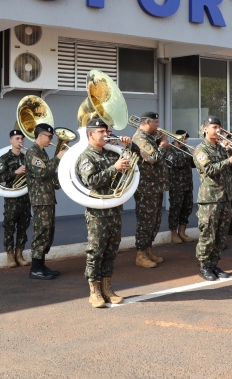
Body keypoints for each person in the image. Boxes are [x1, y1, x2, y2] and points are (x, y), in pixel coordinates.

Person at [76, 117, 133, 307]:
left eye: (106, 131)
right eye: (101, 132)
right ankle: (94, 290)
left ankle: (107, 287)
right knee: (96, 251)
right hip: (98, 212)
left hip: (115, 209)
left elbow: (131, 166)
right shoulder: (86, 156)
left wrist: (129, 147)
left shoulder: (111, 153)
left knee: (111, 250)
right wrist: (113, 168)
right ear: (91, 134)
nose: (106, 134)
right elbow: (91, 181)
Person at [193, 116, 232, 281]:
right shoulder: (201, 149)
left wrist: (231, 152)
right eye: (214, 127)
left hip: (225, 197)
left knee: (221, 234)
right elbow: (209, 169)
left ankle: (214, 263)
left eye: (219, 128)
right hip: (210, 199)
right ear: (205, 129)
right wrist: (230, 160)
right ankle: (204, 266)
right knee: (208, 233)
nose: (218, 131)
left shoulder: (221, 148)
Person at [25, 123, 66, 280]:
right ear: (40, 136)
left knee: (48, 232)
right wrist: (58, 158)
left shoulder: (42, 153)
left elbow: (49, 175)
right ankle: (35, 268)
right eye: (49, 136)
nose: (51, 139)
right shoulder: (32, 153)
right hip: (40, 200)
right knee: (41, 232)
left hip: (47, 199)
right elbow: (42, 172)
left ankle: (41, 265)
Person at [131, 111, 171, 268]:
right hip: (146, 187)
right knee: (146, 221)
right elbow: (152, 158)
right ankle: (140, 254)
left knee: (154, 221)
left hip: (155, 186)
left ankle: (148, 250)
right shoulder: (140, 138)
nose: (158, 125)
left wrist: (158, 142)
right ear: (147, 122)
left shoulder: (149, 138)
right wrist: (163, 147)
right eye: (156, 122)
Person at [0, 128, 32, 268]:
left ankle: (19, 255)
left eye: (22, 138)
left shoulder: (26, 157)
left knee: (23, 227)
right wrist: (15, 172)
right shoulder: (4, 158)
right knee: (9, 227)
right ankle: (10, 256)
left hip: (25, 197)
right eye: (17, 139)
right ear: (11, 140)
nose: (20, 141)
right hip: (12, 199)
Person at [165, 130, 196, 244]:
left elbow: (192, 165)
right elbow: (175, 163)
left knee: (187, 208)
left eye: (186, 139)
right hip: (176, 185)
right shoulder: (169, 149)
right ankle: (173, 233)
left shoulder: (185, 149)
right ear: (176, 138)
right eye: (183, 138)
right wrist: (189, 155)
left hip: (187, 184)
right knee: (175, 209)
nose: (185, 141)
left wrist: (195, 156)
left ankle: (182, 232)